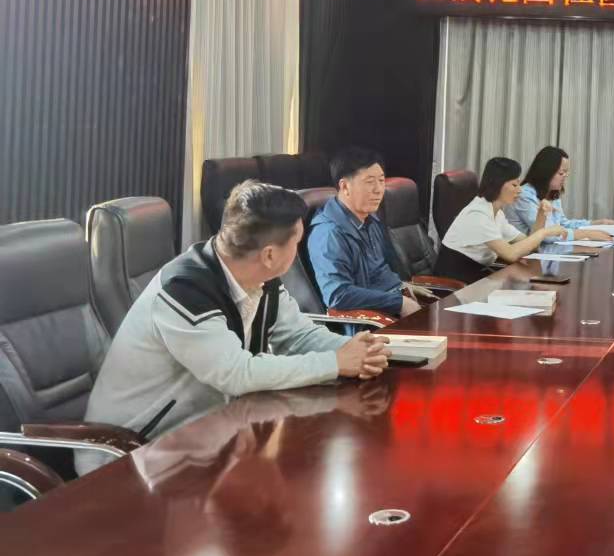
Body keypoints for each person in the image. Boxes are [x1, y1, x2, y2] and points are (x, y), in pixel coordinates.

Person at [79, 181, 391, 473]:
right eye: (296, 242)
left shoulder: (260, 278)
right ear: (270, 255)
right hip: (131, 451)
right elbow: (236, 373)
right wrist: (335, 362)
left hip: (207, 434)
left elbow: (297, 335)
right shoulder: (184, 291)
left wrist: (355, 351)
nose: (298, 250)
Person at [308, 146, 419, 318]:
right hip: (367, 322)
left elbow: (379, 271)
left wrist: (402, 287)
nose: (378, 189)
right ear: (345, 186)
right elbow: (338, 295)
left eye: (381, 181)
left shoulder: (370, 220)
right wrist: (398, 302)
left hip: (387, 306)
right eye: (369, 182)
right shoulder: (329, 233)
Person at [443, 156, 567, 267]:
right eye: (514, 185)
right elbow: (510, 254)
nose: (520, 190)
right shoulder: (478, 214)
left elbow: (530, 244)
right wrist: (544, 232)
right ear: (498, 184)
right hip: (456, 277)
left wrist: (541, 215)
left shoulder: (497, 213)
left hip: (477, 272)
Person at [507, 145, 614, 242]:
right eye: (561, 173)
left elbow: (562, 224)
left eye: (566, 173)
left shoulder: (552, 193)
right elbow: (546, 234)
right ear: (545, 172)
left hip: (544, 252)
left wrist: (595, 223)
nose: (565, 177)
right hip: (523, 254)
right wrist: (586, 234)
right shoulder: (524, 195)